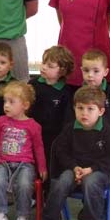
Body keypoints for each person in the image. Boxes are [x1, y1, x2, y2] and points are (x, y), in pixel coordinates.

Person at [42, 86, 110, 220]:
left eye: (90, 109)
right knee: (61, 181)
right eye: (80, 108)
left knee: (90, 183)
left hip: (98, 172)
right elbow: (60, 152)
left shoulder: (108, 132)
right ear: (74, 109)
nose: (84, 113)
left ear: (100, 111)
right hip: (74, 169)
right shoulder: (70, 129)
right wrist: (74, 167)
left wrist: (91, 169)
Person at [0, 81, 47, 220]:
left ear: (25, 105)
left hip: (25, 165)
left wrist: (42, 168)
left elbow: (38, 148)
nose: (6, 105)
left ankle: (23, 219)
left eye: (11, 102)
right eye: (5, 101)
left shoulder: (33, 126)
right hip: (3, 164)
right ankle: (0, 217)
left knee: (24, 185)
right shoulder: (1, 121)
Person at [28, 45, 75, 175]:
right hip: (32, 133)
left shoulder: (66, 91)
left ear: (62, 70)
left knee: (49, 166)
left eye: (50, 66)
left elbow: (68, 119)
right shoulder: (33, 84)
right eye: (43, 63)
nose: (43, 67)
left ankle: (47, 190)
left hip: (53, 138)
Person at [81, 49, 110, 153]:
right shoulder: (77, 95)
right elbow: (69, 121)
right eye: (86, 70)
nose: (90, 75)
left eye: (96, 71)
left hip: (107, 144)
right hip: (82, 142)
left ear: (105, 72)